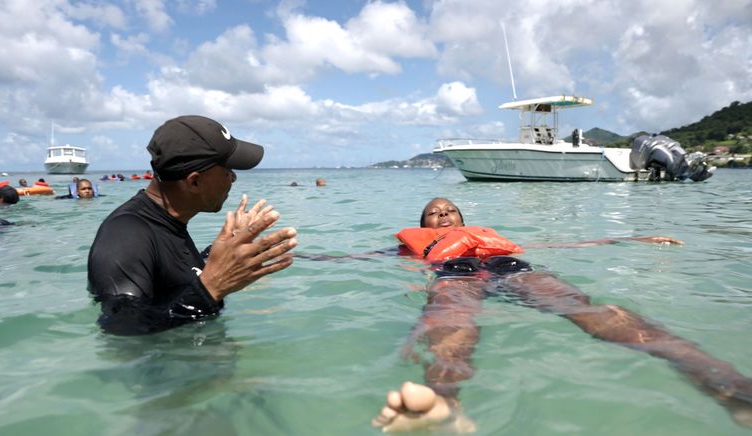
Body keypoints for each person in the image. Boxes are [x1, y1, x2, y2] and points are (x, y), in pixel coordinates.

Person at [372, 198, 752, 432]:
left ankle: (726, 384)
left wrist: (634, 239)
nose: (442, 215)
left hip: (510, 267)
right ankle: (443, 403)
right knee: (450, 317)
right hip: (453, 274)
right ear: (424, 226)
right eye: (433, 213)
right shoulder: (415, 248)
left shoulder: (488, 239)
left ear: (462, 219)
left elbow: (559, 242)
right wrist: (308, 254)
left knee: (582, 308)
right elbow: (353, 258)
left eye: (449, 210)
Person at [87, 115, 298, 335]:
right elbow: (122, 329)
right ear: (194, 181)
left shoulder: (168, 224)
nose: (233, 178)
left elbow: (173, 273)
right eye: (227, 171)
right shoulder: (125, 235)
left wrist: (228, 249)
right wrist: (210, 288)